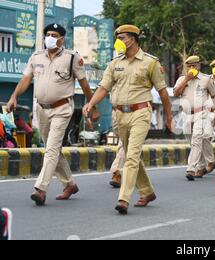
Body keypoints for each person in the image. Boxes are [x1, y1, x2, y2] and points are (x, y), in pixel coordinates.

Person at [83, 24, 174, 215]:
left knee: (130, 157)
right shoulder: (114, 64)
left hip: (141, 113)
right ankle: (147, 192)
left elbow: (163, 93)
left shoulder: (150, 63)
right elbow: (103, 88)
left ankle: (123, 199)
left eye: (122, 37)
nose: (119, 41)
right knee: (132, 155)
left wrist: (169, 117)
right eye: (117, 37)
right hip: (119, 115)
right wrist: (91, 104)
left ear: (132, 39)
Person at [7, 23, 97, 206]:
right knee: (52, 148)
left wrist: (92, 105)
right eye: (47, 34)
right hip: (42, 108)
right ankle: (70, 184)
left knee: (51, 150)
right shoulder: (36, 56)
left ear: (62, 39)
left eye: (54, 34)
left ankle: (40, 189)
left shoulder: (72, 58)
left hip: (62, 108)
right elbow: (26, 79)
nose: (49, 37)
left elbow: (85, 84)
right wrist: (13, 96)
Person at [174, 55, 215, 181]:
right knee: (192, 141)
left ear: (199, 65)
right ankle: (203, 165)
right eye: (189, 66)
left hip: (201, 114)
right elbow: (176, 93)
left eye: (194, 65)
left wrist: (214, 113)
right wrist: (186, 79)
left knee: (197, 139)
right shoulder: (182, 79)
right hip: (186, 114)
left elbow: (214, 95)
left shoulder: (206, 79)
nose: (192, 68)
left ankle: (191, 168)